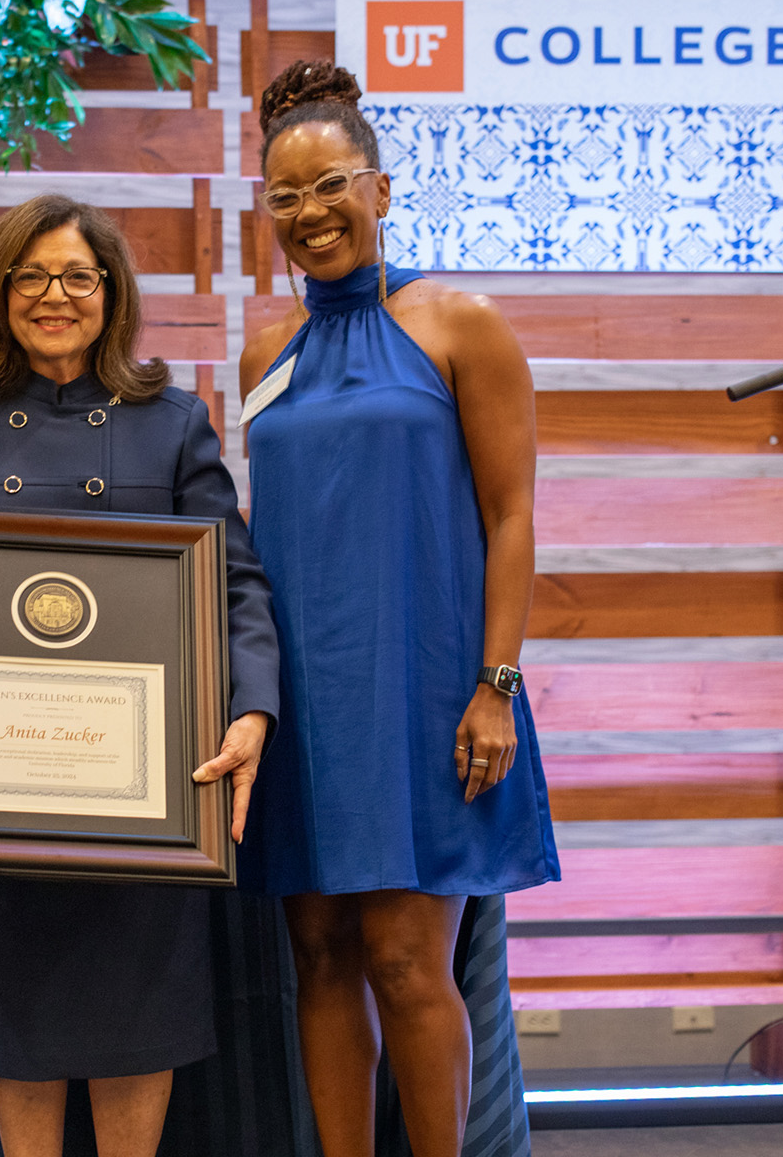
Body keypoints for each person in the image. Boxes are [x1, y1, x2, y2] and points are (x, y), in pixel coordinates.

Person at [0, 194, 280, 1157]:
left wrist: (252, 709)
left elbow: (235, 583)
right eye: (29, 277)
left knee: (134, 1034)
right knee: (18, 1038)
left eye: (77, 275)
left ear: (111, 293)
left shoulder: (173, 423)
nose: (54, 296)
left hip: (140, 794)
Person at [237, 60, 561, 1157]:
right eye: (286, 195)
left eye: (331, 185)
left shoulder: (460, 324)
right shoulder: (259, 352)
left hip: (425, 695)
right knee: (319, 959)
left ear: (379, 187)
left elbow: (513, 515)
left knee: (409, 964)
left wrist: (496, 686)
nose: (310, 212)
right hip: (302, 698)